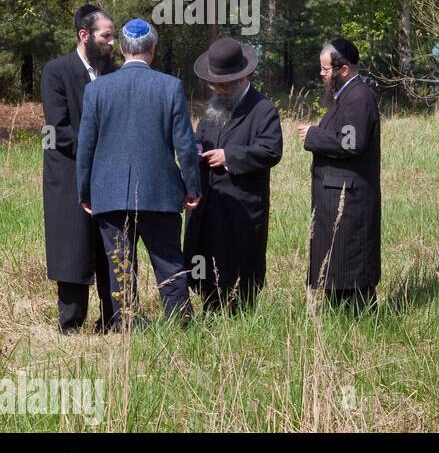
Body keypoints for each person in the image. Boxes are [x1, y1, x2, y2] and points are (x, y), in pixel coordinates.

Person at [77, 18, 201, 323]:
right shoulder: (170, 87)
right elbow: (185, 146)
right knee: (169, 262)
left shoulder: (97, 90)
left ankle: (126, 324)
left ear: (120, 49)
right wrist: (192, 187)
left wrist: (85, 192)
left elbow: (86, 147)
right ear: (153, 49)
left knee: (120, 265)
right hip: (160, 192)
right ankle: (180, 324)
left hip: (110, 192)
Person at [182, 38, 283, 314]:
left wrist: (229, 157)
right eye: (215, 84)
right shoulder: (214, 106)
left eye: (224, 85)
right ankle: (210, 310)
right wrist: (197, 148)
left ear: (242, 78)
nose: (218, 90)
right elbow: (200, 136)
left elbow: (271, 150)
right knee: (204, 264)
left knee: (240, 268)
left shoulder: (263, 109)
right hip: (209, 204)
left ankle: (241, 320)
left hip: (241, 207)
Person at [42, 5, 119, 333]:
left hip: (109, 174)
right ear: (84, 35)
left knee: (112, 247)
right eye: (106, 36)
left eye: (113, 36)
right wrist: (101, 151)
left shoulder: (115, 73)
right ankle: (71, 325)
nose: (112, 43)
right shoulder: (56, 72)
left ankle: (116, 321)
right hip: (69, 174)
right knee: (72, 247)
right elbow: (58, 130)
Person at [298, 38, 381, 311]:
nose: (322, 75)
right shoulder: (344, 96)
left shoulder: (359, 97)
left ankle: (363, 327)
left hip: (351, 201)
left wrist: (313, 136)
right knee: (338, 271)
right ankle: (342, 322)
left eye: (325, 69)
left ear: (342, 69)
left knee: (353, 273)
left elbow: (351, 142)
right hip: (338, 198)